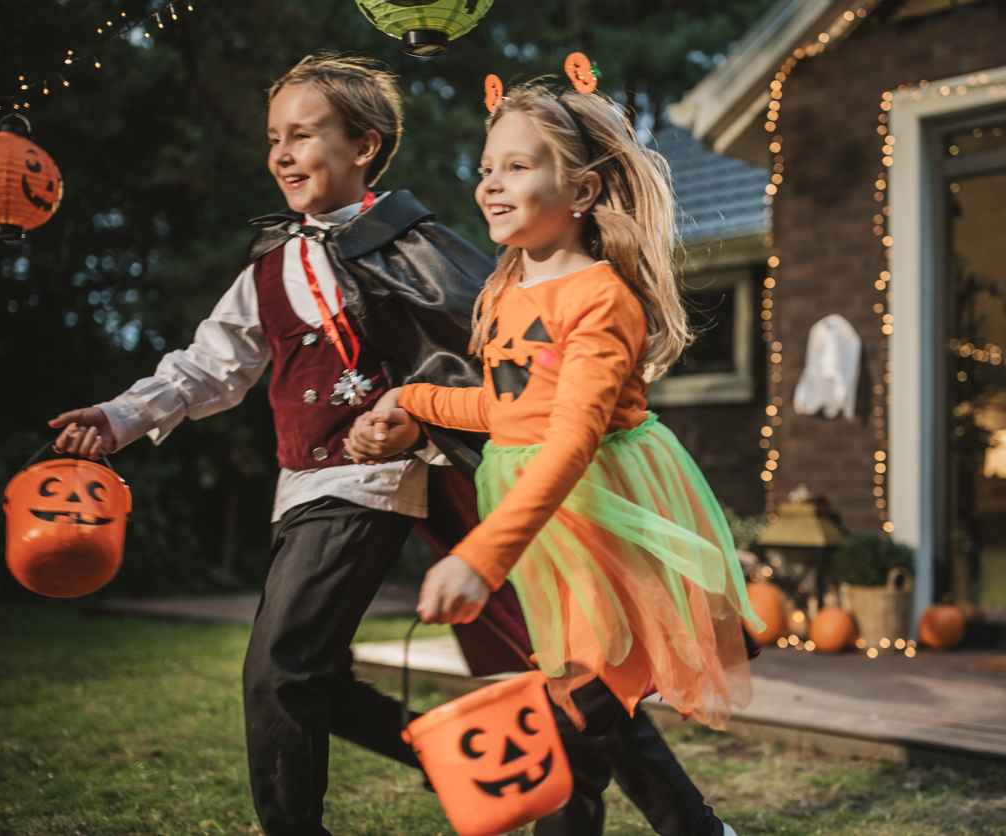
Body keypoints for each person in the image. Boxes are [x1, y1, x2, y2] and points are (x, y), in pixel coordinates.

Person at [46, 54, 526, 836]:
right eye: (275, 137)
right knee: (313, 677)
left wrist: (436, 425)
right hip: (301, 486)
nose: (281, 154)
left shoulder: (413, 241)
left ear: (363, 145)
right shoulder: (269, 266)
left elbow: (478, 342)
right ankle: (471, 758)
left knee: (276, 673)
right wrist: (120, 416)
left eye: (303, 135)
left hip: (373, 479)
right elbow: (210, 366)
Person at [349, 80, 758, 835]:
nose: (491, 185)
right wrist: (414, 404)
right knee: (588, 706)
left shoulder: (600, 300)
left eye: (516, 167)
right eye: (486, 169)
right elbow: (511, 412)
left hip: (597, 516)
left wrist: (480, 557)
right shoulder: (507, 289)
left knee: (582, 704)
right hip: (544, 524)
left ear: (581, 188)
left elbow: (569, 440)